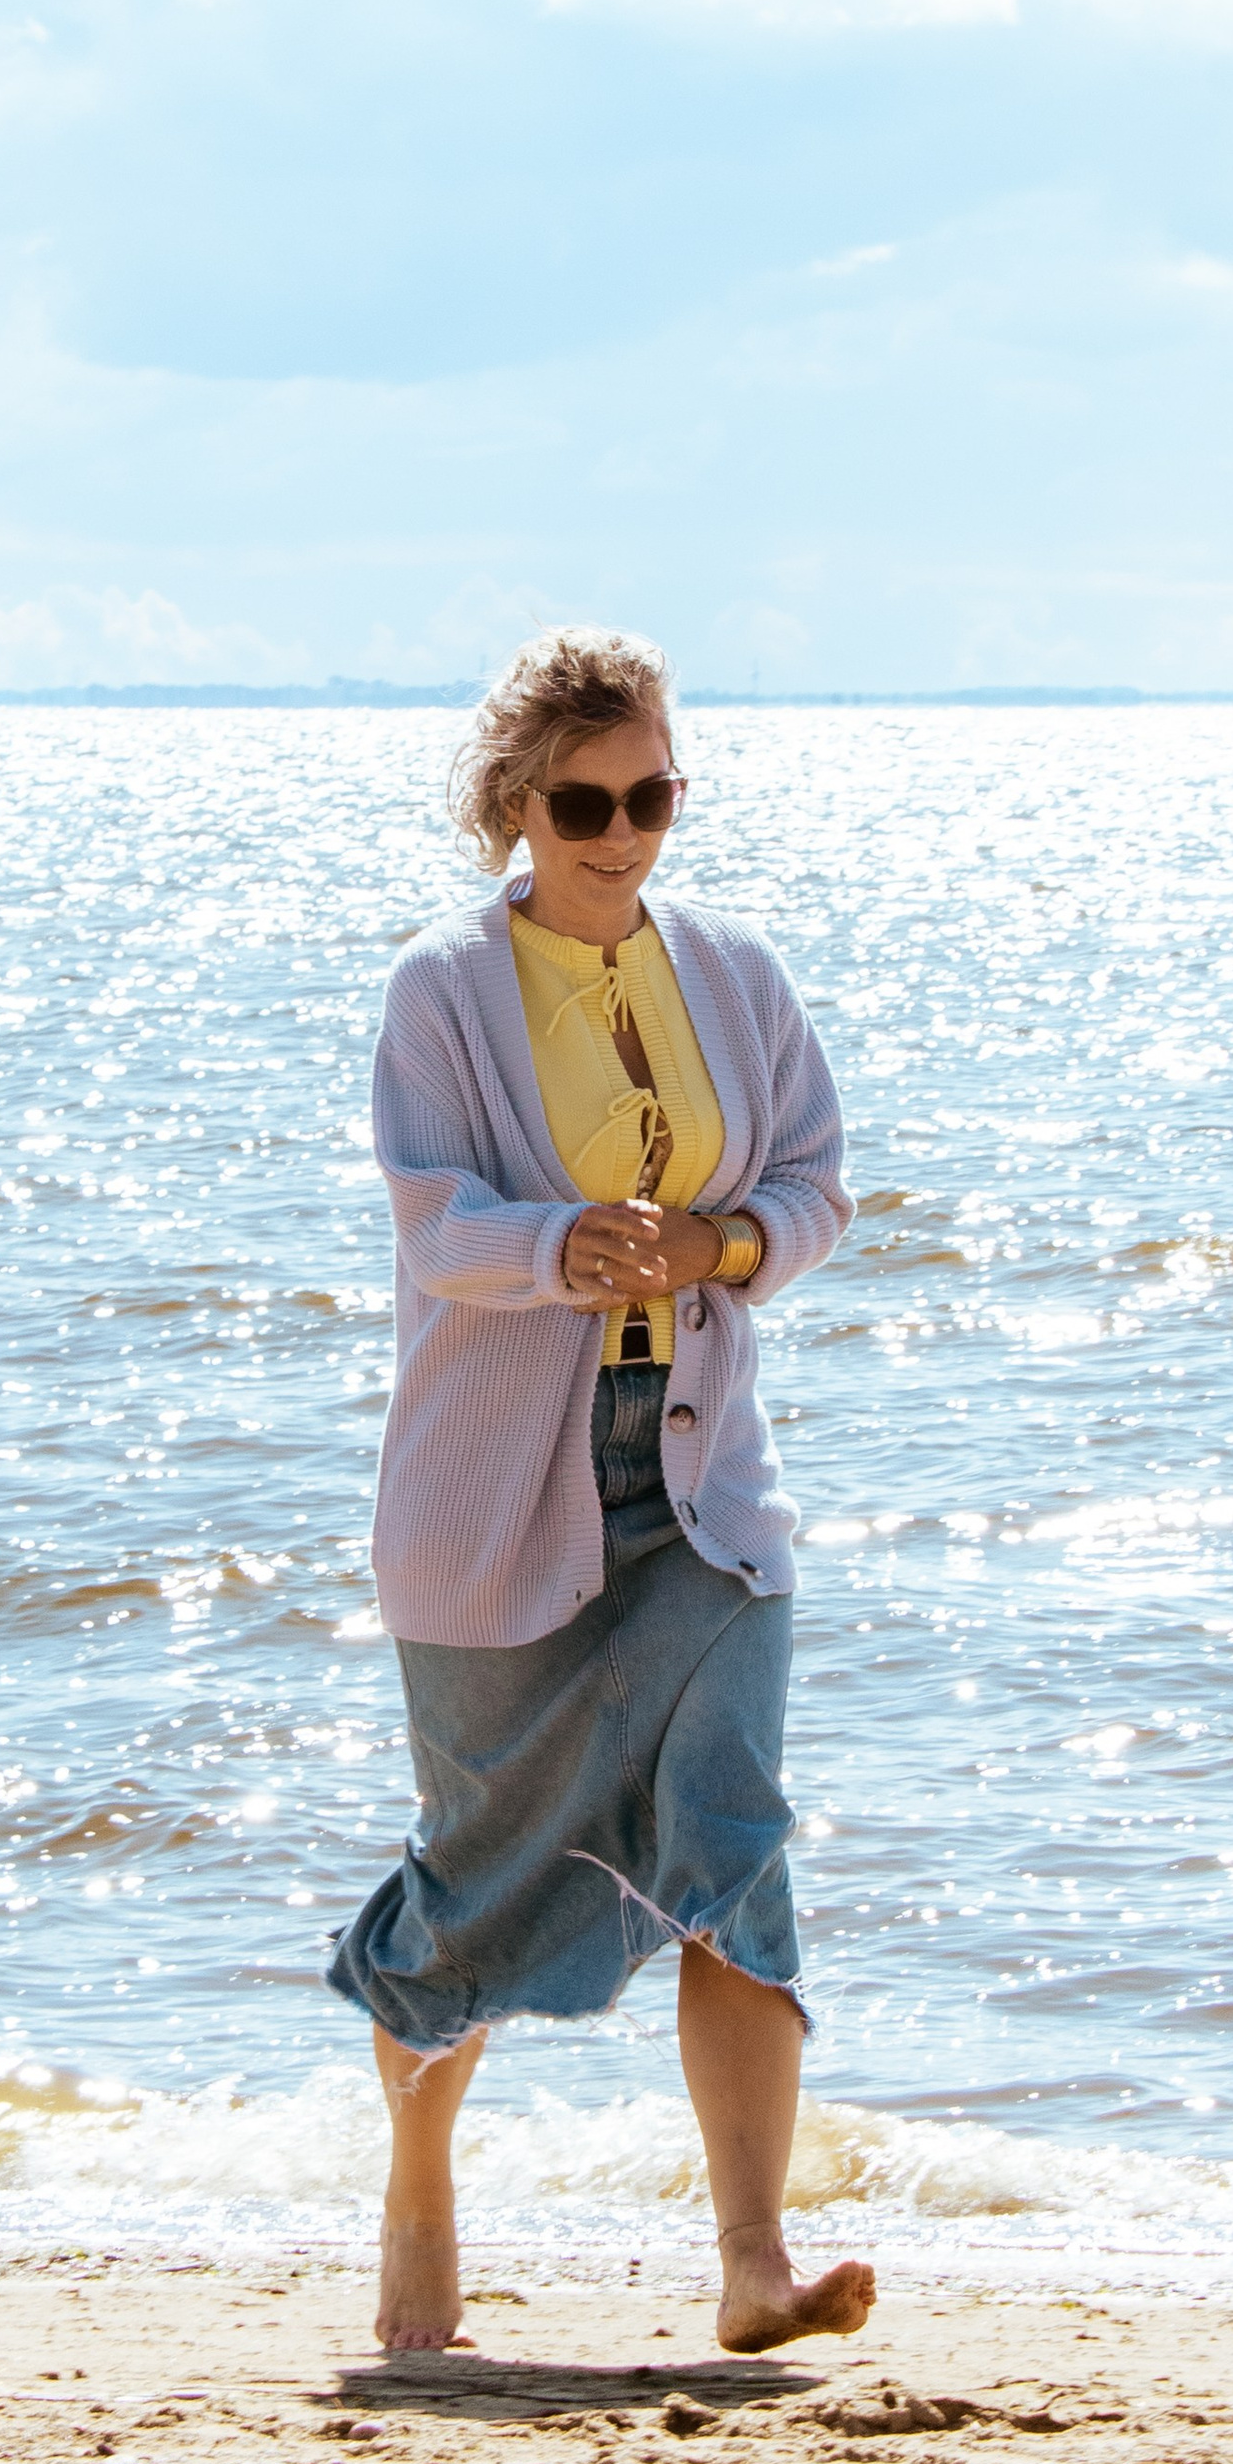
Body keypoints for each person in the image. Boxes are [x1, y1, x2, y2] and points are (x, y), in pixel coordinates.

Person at [328, 628, 873, 2358]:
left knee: (737, 1839)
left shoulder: (737, 974)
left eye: (652, 796)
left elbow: (815, 1190)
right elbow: (438, 1229)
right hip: (496, 1501)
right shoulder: (443, 993)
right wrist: (566, 1245)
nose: (623, 832)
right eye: (586, 802)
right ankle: (421, 2204)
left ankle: (754, 2260)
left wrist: (719, 1241)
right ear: (518, 803)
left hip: (704, 1489)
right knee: (477, 1875)